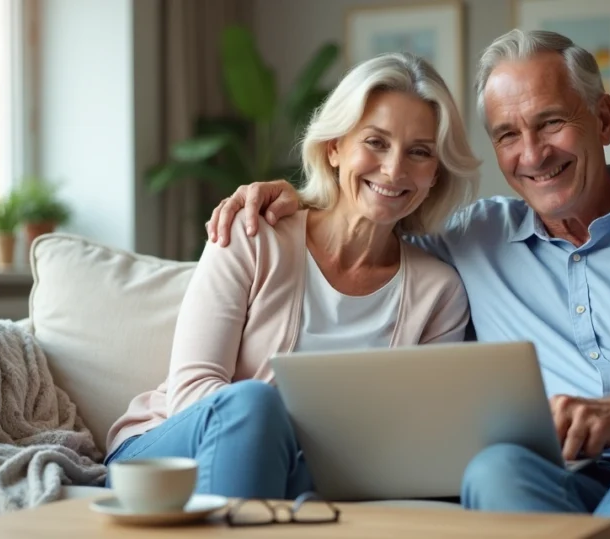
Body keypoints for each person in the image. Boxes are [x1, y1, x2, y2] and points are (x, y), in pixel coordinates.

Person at [205, 29, 610, 539]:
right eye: (508, 134)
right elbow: (372, 216)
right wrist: (299, 198)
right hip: (575, 477)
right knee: (496, 466)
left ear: (603, 118)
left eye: (551, 122)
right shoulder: (474, 238)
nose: (532, 154)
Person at [103, 52, 481, 500]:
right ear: (334, 147)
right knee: (255, 404)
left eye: (419, 152)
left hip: (318, 471)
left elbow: (414, 435)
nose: (394, 169)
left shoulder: (440, 293)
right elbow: (192, 390)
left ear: (435, 173)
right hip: (169, 452)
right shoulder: (251, 233)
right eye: (376, 142)